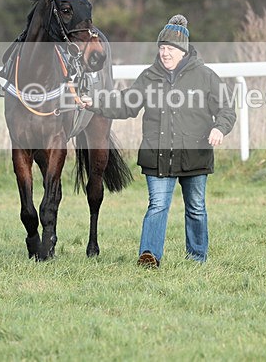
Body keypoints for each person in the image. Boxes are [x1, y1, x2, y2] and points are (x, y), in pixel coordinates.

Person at [82, 14, 236, 267]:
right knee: (157, 206)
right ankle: (149, 255)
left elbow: (226, 109)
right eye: (162, 48)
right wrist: (94, 102)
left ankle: (197, 258)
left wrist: (220, 128)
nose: (165, 53)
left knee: (196, 208)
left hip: (195, 154)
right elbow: (125, 104)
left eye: (170, 49)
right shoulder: (149, 76)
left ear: (182, 51)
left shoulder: (206, 76)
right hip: (158, 155)